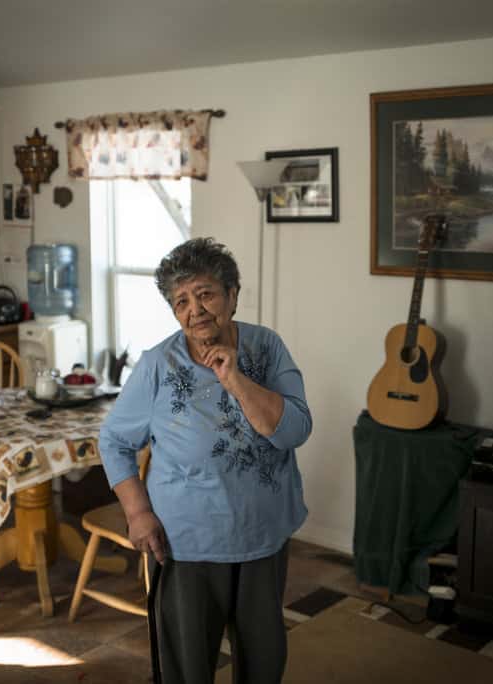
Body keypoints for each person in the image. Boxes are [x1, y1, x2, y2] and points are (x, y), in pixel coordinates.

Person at [99, 237, 312, 683]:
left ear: (232, 295)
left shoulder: (267, 347)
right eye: (181, 301)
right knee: (187, 665)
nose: (194, 310)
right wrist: (137, 513)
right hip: (186, 542)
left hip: (262, 533)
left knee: (263, 661)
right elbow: (115, 441)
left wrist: (236, 380)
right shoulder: (157, 365)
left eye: (205, 294)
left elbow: (294, 431)